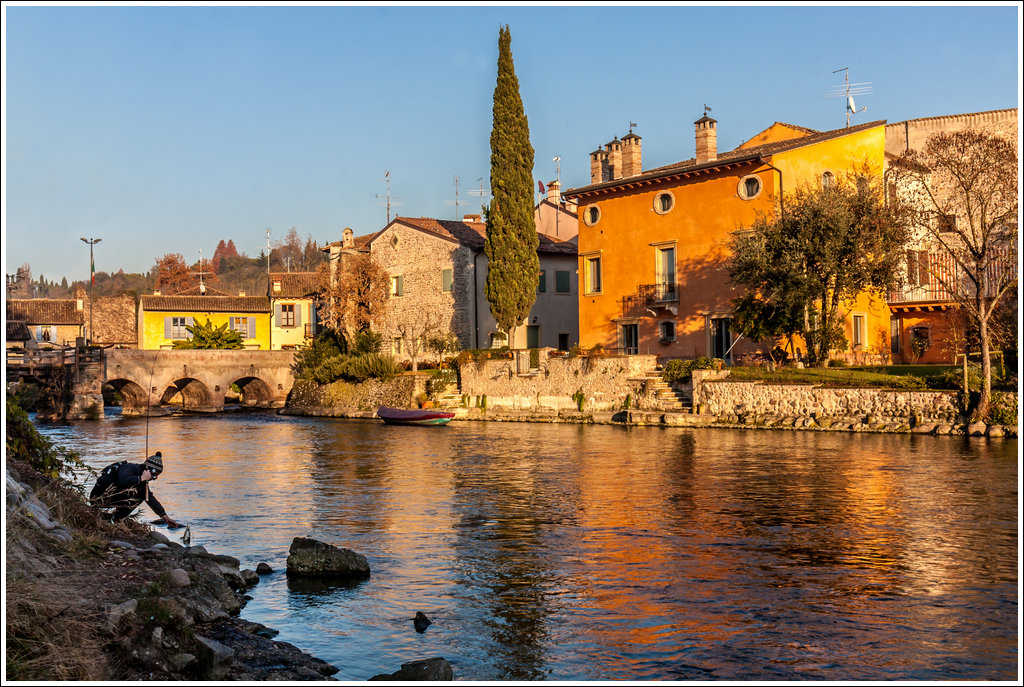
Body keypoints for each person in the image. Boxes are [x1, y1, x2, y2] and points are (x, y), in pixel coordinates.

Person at [89, 451, 180, 527]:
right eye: (155, 474)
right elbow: (122, 480)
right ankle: (115, 519)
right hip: (98, 499)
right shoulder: (130, 468)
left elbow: (149, 498)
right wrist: (142, 478)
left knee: (143, 494)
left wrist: (164, 516)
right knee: (139, 496)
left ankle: (114, 519)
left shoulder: (141, 479)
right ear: (149, 470)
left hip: (107, 498)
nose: (155, 478)